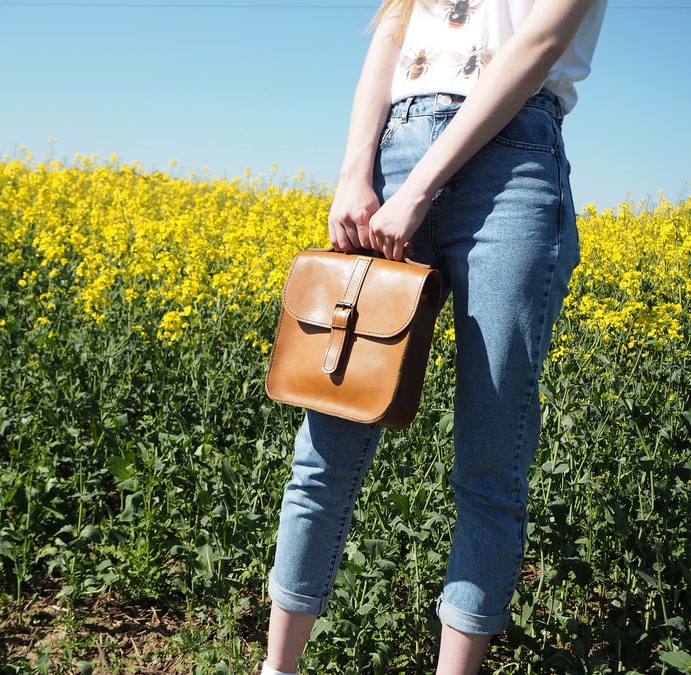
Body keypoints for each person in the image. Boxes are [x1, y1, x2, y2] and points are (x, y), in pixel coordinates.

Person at [261, 1, 608, 673]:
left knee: (490, 460)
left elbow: (539, 41)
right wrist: (353, 173)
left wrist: (422, 186)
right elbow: (389, 41)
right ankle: (277, 668)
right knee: (324, 446)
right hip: (398, 145)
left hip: (512, 157)